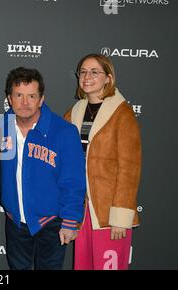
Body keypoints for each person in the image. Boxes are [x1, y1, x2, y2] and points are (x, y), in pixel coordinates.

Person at [0, 67, 86, 270]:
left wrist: (70, 220)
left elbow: (73, 181)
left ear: (41, 99)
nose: (25, 102)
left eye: (32, 96)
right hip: (15, 222)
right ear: (10, 99)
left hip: (51, 223)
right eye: (19, 95)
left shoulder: (64, 131)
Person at [64, 54, 141, 270]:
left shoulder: (121, 113)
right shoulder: (75, 112)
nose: (87, 77)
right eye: (83, 72)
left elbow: (129, 168)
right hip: (82, 209)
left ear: (108, 78)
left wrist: (120, 217)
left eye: (94, 72)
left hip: (108, 213)